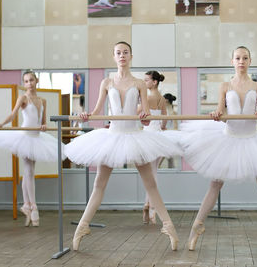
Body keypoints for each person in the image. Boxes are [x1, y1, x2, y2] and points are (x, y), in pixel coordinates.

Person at [180, 46, 257, 251]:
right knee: (215, 184)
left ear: (250, 61)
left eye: (245, 58)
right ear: (232, 61)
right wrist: (216, 113)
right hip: (228, 139)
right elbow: (220, 110)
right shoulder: (225, 86)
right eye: (237, 58)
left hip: (252, 138)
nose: (241, 61)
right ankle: (196, 228)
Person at [65, 42, 181, 251]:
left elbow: (145, 117)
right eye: (118, 53)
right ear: (114, 56)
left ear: (131, 56)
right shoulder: (107, 82)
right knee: (99, 184)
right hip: (112, 137)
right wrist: (86, 115)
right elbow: (98, 110)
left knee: (150, 185)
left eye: (125, 52)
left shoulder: (139, 83)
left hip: (135, 136)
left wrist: (145, 117)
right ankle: (82, 227)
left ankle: (169, 226)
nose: (122, 56)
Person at [0, 71, 62, 227]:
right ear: (24, 83)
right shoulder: (23, 98)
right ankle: (33, 206)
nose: (29, 83)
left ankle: (27, 204)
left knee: (29, 172)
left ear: (36, 80)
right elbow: (13, 115)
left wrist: (44, 126)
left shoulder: (42, 100)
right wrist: (1, 124)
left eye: (31, 80)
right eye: (26, 81)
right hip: (25, 137)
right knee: (29, 171)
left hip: (37, 137)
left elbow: (42, 121)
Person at [141, 71, 168, 225]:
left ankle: (150, 207)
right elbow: (164, 119)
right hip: (159, 135)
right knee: (153, 171)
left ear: (154, 82)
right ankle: (148, 206)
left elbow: (137, 113)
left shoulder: (148, 97)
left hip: (148, 135)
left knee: (150, 174)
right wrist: (162, 128)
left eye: (147, 80)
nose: (145, 83)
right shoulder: (162, 99)